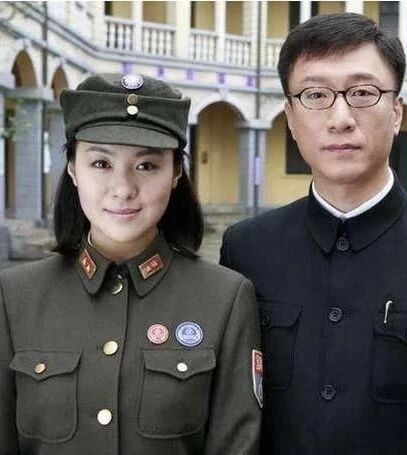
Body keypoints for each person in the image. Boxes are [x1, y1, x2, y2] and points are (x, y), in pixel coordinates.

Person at [220, 12, 407, 455]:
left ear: (397, 111)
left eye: (363, 93)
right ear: (290, 118)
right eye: (315, 95)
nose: (340, 118)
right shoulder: (247, 249)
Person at [0, 73, 262, 454]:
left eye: (146, 166)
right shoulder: (14, 297)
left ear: (176, 173)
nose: (123, 189)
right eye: (101, 163)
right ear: (72, 168)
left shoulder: (225, 299)